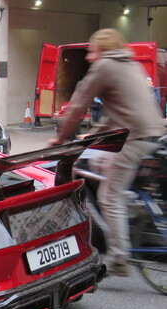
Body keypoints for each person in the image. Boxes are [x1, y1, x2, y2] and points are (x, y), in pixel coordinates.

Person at [49, 28, 164, 277]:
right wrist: (91, 137)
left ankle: (119, 258)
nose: (89, 57)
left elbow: (78, 106)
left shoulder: (105, 66)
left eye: (92, 51)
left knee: (109, 197)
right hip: (151, 132)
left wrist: (60, 138)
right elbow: (120, 110)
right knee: (101, 160)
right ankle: (129, 209)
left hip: (133, 137)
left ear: (101, 50)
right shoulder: (130, 63)